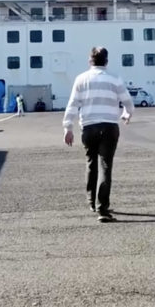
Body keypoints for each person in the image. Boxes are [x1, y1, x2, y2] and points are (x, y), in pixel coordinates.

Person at [62, 47, 133, 222]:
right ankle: (103, 208)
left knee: (91, 163)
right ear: (106, 61)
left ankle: (92, 202)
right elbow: (128, 102)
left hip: (88, 127)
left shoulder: (81, 79)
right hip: (109, 126)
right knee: (105, 166)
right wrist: (126, 114)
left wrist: (68, 128)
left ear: (90, 61)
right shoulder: (114, 78)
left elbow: (72, 105)